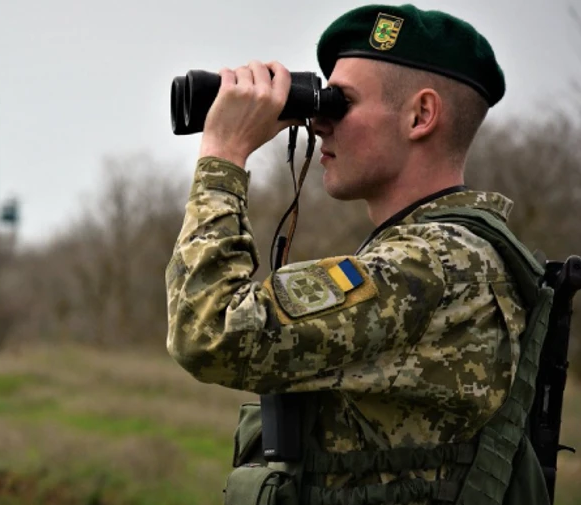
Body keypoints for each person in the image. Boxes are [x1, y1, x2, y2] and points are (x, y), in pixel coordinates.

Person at [165, 4, 548, 503]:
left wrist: (224, 154)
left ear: (420, 115)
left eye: (341, 102)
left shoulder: (436, 264)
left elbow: (209, 333)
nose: (320, 122)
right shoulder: (437, 255)